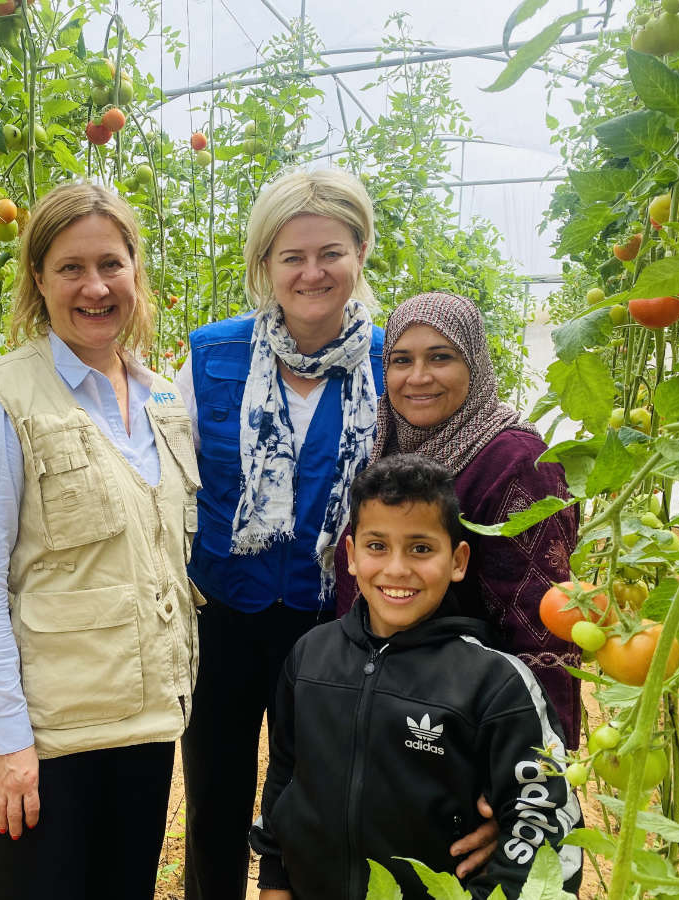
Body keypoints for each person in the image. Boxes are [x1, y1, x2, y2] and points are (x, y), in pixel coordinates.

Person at [0, 182, 202, 899]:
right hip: (47, 743)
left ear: (136, 273)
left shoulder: (163, 399)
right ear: (39, 280)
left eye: (111, 264)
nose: (95, 287)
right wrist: (7, 742)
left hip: (143, 729)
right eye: (70, 268)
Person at [176, 168, 430, 899]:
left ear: (361, 254)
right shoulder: (210, 358)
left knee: (321, 796)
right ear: (264, 266)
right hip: (223, 619)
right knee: (215, 798)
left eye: (331, 252)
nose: (312, 272)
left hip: (340, 623)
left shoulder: (394, 363)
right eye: (291, 256)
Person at [251, 453, 583, 899]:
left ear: (458, 559)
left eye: (421, 548)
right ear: (350, 555)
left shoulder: (496, 684)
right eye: (377, 546)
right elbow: (285, 779)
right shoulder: (310, 657)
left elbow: (546, 828)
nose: (397, 569)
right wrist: (274, 879)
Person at [336, 291, 582, 747]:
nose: (418, 377)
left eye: (441, 357)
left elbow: (543, 625)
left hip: (460, 731)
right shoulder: (388, 447)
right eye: (401, 360)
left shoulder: (516, 461)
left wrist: (533, 764)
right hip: (381, 714)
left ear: (475, 364)